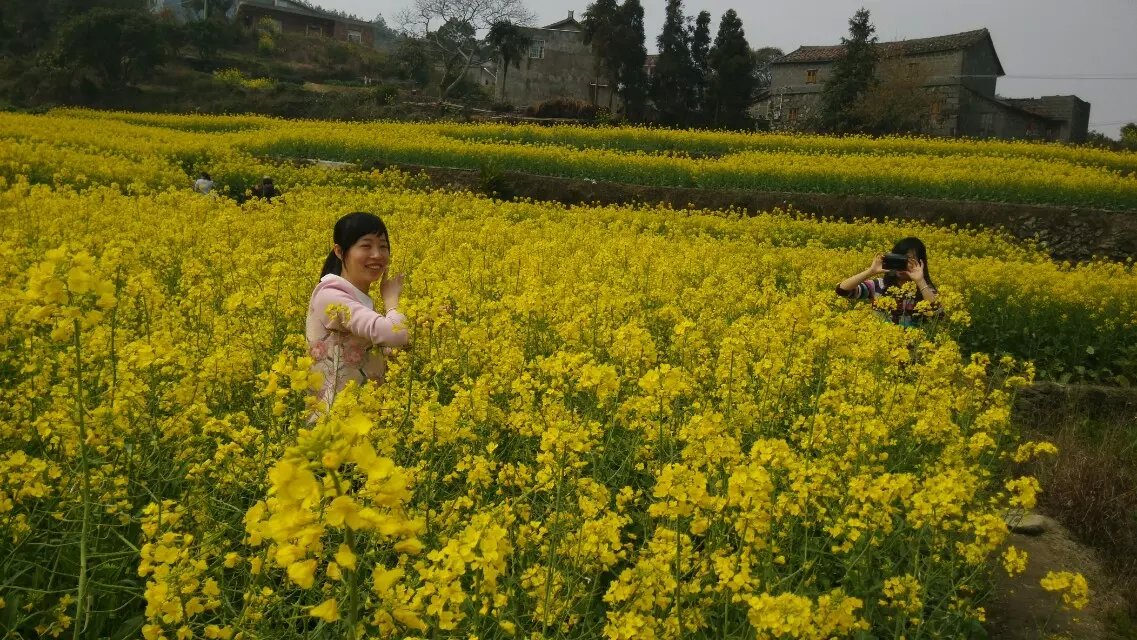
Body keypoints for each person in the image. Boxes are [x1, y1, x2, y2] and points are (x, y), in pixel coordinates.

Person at [306, 212, 409, 410]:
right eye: (366, 246)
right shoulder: (331, 296)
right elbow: (395, 334)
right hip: (337, 420)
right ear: (339, 251)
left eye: (383, 246)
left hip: (363, 413)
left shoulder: (355, 299)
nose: (377, 254)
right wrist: (391, 300)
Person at [836, 236, 940, 327]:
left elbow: (938, 316)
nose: (902, 264)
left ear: (921, 263)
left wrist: (920, 281)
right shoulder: (879, 285)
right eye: (898, 258)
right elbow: (842, 290)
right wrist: (870, 271)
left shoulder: (925, 290)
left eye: (908, 260)